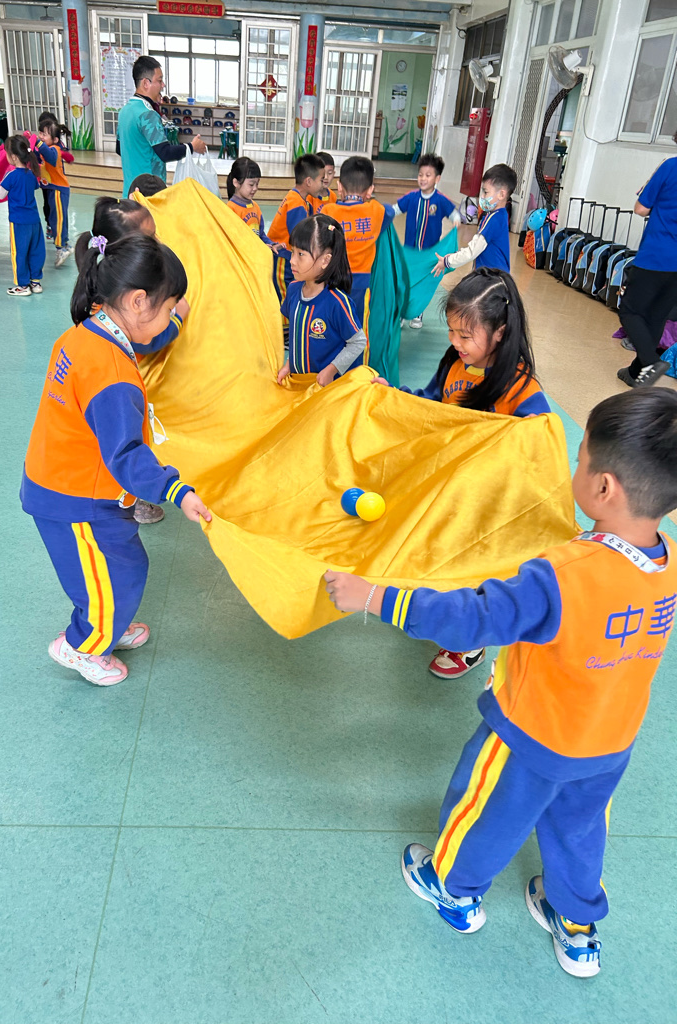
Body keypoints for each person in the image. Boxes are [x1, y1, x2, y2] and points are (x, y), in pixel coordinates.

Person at [324, 386, 677, 979]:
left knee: (488, 811)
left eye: (580, 459)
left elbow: (472, 619)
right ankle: (577, 928)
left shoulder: (561, 574)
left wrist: (375, 596)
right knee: (580, 829)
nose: (573, 468)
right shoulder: (666, 562)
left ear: (603, 487)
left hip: (530, 735)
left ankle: (453, 889)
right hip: (610, 742)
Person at [21, 234, 210, 686]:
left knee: (115, 569)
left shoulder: (88, 332)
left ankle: (110, 621)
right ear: (138, 301)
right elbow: (125, 453)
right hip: (76, 499)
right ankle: (82, 646)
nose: (169, 319)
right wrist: (177, 490)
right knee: (115, 573)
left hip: (67, 481)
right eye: (169, 309)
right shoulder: (112, 375)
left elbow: (138, 349)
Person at [373, 268, 550, 679]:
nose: (455, 342)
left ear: (500, 333)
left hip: (487, 506)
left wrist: (524, 440)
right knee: (436, 553)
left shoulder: (519, 387)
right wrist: (393, 396)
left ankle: (469, 643)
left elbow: (540, 441)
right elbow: (429, 406)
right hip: (447, 491)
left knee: (474, 570)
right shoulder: (454, 364)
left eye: (465, 335)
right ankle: (434, 610)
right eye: (452, 331)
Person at [75, 195, 191, 527]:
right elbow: (151, 340)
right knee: (124, 438)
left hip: (67, 486)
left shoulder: (98, 302)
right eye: (149, 237)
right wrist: (177, 319)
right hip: (84, 501)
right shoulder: (115, 374)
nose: (156, 243)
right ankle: (134, 496)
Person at [616, 133, 677, 389]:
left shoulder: (670, 166)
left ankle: (651, 362)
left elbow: (641, 208)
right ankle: (635, 373)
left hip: (656, 256)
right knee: (656, 317)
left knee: (629, 311)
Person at [277, 214, 366, 388]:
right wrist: (289, 365)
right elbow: (297, 336)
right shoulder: (293, 290)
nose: (292, 260)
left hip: (329, 390)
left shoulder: (337, 302)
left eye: (301, 254)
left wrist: (331, 370)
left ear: (325, 261)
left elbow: (358, 342)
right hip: (301, 385)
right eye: (292, 252)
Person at [321, 156, 395, 335]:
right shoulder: (376, 211)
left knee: (331, 325)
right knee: (358, 328)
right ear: (370, 190)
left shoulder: (328, 211)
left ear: (339, 187)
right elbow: (390, 211)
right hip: (362, 284)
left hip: (332, 280)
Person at [116, 55, 207, 197]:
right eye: (159, 80)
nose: (163, 85)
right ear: (146, 83)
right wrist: (191, 147)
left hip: (130, 192)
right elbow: (165, 152)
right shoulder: (147, 114)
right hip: (148, 194)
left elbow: (119, 149)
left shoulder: (125, 111)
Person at [393, 153, 460, 328]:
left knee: (422, 284)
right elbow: (396, 208)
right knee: (405, 281)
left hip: (430, 254)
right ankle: (402, 312)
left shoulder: (440, 200)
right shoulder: (412, 197)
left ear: (437, 178)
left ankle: (417, 314)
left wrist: (456, 219)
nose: (423, 178)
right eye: (420, 174)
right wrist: (384, 215)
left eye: (428, 175)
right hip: (410, 253)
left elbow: (454, 213)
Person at [432, 163, 516, 277]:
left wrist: (448, 261)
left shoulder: (493, 219)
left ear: (501, 194)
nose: (482, 197)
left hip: (492, 279)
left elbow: (473, 251)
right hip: (496, 277)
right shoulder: (500, 215)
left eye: (486, 192)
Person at [0, 135, 46, 297]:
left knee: (20, 252)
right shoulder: (31, 174)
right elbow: (35, 187)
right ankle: (35, 282)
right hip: (34, 220)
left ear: (13, 157)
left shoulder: (11, 176)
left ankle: (22, 285)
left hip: (18, 222)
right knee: (36, 250)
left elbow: (0, 194)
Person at [267, 154, 325, 302]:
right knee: (284, 298)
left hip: (287, 257)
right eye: (321, 180)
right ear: (309, 182)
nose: (323, 185)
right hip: (282, 258)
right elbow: (300, 239)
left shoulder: (299, 199)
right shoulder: (296, 204)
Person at [35, 120, 73, 267]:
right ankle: (65, 244)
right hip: (52, 189)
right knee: (54, 218)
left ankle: (60, 247)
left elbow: (47, 154)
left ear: (55, 139)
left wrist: (37, 142)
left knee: (58, 219)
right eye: (40, 133)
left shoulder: (54, 150)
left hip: (59, 189)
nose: (41, 136)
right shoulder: (46, 149)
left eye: (45, 134)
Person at [225, 156, 283, 251]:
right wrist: (258, 247)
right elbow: (234, 241)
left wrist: (272, 245)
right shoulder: (230, 209)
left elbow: (261, 234)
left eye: (257, 184)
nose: (255, 188)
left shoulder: (255, 207)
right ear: (236, 183)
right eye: (251, 184)